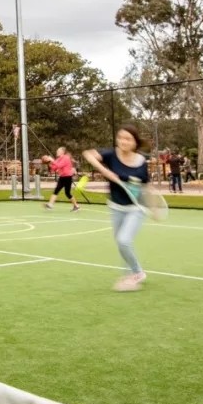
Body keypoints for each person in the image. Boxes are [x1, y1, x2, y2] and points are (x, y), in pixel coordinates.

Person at [83, 124, 151, 292]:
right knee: (121, 244)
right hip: (116, 207)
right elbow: (88, 154)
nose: (123, 141)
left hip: (136, 208)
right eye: (120, 137)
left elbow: (145, 186)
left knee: (124, 240)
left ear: (135, 142)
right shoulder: (111, 155)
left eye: (128, 139)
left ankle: (137, 273)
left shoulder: (141, 162)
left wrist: (150, 204)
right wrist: (105, 172)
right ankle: (129, 276)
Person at [42, 147, 79, 211]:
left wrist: (52, 160)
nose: (57, 152)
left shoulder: (66, 158)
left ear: (62, 152)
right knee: (56, 191)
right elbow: (54, 168)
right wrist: (48, 162)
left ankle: (76, 206)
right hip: (62, 177)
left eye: (58, 151)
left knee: (67, 193)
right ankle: (50, 205)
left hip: (68, 177)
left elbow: (59, 165)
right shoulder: (58, 159)